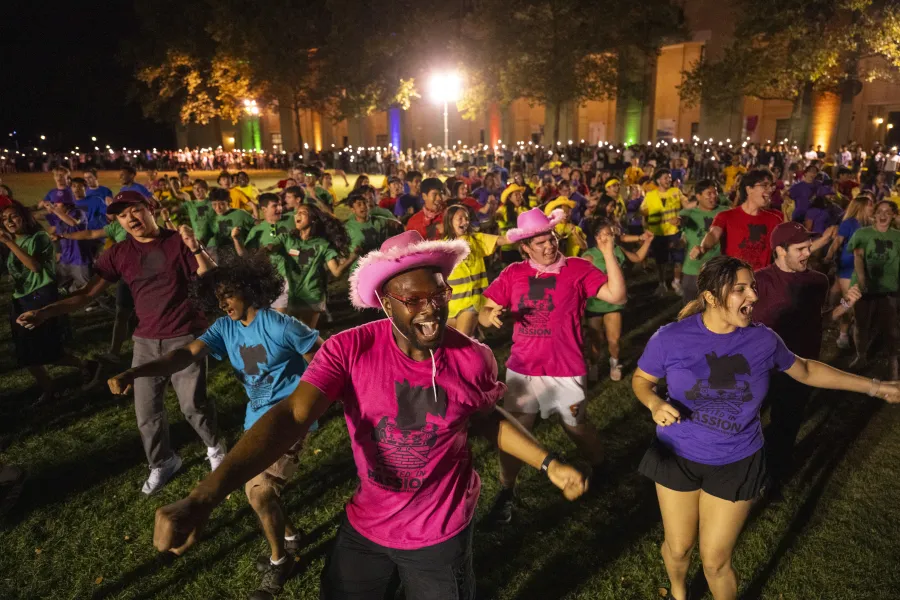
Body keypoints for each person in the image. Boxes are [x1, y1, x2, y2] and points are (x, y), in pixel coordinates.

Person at [151, 230, 587, 599]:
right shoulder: (349, 349)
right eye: (414, 298)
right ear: (385, 301)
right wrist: (205, 496)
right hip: (368, 526)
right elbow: (291, 416)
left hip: (442, 534)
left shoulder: (473, 358)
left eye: (439, 293)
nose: (431, 308)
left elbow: (484, 417)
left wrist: (548, 463)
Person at [632, 255, 900, 600]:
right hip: (678, 455)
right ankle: (679, 593)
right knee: (679, 548)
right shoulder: (671, 337)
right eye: (740, 289)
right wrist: (654, 403)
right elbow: (641, 380)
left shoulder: (763, 340)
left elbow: (805, 370)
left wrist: (875, 386)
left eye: (753, 288)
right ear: (712, 297)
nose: (754, 297)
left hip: (736, 460)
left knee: (715, 562)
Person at [108, 253, 322, 599]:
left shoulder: (283, 325)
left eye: (229, 294)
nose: (223, 304)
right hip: (256, 420)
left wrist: (315, 406)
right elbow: (184, 355)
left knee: (260, 490)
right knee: (258, 490)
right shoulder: (225, 328)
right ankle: (292, 537)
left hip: (290, 419)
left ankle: (280, 560)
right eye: (217, 297)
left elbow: (324, 361)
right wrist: (137, 371)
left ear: (250, 289)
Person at [16, 191, 225, 495]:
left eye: (136, 211)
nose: (131, 219)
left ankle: (215, 449)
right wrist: (46, 312)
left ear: (150, 210)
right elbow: (87, 295)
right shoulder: (118, 254)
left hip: (185, 335)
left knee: (193, 405)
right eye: (123, 216)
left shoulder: (177, 242)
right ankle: (163, 461)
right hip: (144, 341)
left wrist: (195, 248)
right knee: (146, 412)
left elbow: (209, 274)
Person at [478, 207, 626, 523]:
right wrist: (488, 315)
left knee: (576, 425)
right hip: (524, 368)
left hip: (567, 367)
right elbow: (485, 307)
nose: (549, 246)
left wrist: (608, 252)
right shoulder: (513, 273)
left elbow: (616, 295)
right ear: (525, 248)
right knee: (517, 433)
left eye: (551, 238)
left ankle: (601, 467)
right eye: (540, 243)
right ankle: (507, 492)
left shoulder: (577, 268)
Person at [752, 222, 863, 493]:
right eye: (800, 249)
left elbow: (819, 323)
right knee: (745, 422)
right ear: (780, 250)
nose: (807, 253)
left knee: (786, 425)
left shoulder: (817, 281)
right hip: (759, 368)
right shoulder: (758, 280)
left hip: (799, 367)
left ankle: (772, 477)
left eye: (808, 247)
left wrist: (845, 305)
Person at [1, 201, 97, 403]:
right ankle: (49, 388)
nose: (8, 221)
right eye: (4, 219)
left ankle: (85, 365)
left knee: (47, 348)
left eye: (13, 216)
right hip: (20, 298)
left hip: (40, 296)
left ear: (25, 218)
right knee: (24, 351)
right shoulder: (14, 241)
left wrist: (9, 243)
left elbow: (34, 267)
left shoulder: (39, 237)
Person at [583, 217, 652, 382]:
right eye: (608, 234)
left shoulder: (618, 250)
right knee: (596, 341)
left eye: (613, 234)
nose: (612, 237)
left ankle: (615, 363)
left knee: (614, 340)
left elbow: (637, 257)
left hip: (613, 304)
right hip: (594, 304)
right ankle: (593, 365)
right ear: (598, 237)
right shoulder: (589, 256)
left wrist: (647, 241)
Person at [277, 204, 355, 327]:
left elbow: (336, 272)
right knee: (287, 333)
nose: (297, 214)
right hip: (292, 295)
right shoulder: (288, 239)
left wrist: (352, 257)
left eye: (303, 212)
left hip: (312, 296)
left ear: (313, 219)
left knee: (305, 335)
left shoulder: (322, 244)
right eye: (297, 212)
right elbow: (270, 248)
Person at [848, 200, 900, 377]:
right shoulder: (862, 234)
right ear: (874, 214)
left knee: (891, 327)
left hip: (889, 288)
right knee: (862, 323)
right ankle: (861, 356)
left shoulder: (897, 236)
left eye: (888, 211)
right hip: (864, 288)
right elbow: (858, 258)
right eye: (880, 211)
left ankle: (894, 363)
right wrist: (863, 281)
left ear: (893, 215)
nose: (883, 215)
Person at [694, 170, 783, 271]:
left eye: (771, 186)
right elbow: (714, 234)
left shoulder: (775, 219)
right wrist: (703, 248)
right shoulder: (726, 216)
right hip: (734, 282)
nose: (770, 190)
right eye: (765, 185)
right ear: (749, 189)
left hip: (762, 283)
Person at [443, 204, 506, 337]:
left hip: (473, 302)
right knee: (450, 343)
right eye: (460, 218)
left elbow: (502, 240)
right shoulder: (442, 247)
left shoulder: (476, 240)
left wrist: (525, 233)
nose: (465, 222)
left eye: (466, 218)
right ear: (450, 221)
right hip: (451, 307)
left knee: (462, 341)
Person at [824, 193, 874, 348]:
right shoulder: (849, 223)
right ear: (862, 207)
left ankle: (833, 317)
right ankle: (843, 333)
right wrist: (828, 256)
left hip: (861, 266)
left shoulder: (870, 224)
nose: (873, 207)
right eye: (870, 205)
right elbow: (837, 242)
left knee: (845, 297)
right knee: (849, 301)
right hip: (848, 266)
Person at [233, 193, 292, 314]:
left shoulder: (292, 221)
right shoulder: (257, 230)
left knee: (282, 318)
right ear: (264, 209)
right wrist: (236, 240)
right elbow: (245, 255)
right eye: (275, 206)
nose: (280, 209)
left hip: (292, 278)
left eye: (280, 205)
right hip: (270, 279)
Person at [680, 180, 729, 303]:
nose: (713, 196)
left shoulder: (725, 212)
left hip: (718, 269)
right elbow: (681, 228)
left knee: (717, 307)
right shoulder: (688, 214)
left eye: (715, 193)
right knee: (691, 309)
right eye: (709, 194)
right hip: (693, 269)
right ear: (698, 196)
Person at [641, 168, 685, 296]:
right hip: (658, 233)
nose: (669, 179)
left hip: (674, 232)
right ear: (658, 180)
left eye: (670, 177)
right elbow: (643, 211)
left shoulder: (676, 191)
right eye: (666, 177)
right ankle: (662, 284)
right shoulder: (650, 195)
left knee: (678, 259)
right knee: (661, 261)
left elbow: (685, 205)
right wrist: (646, 221)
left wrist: (680, 218)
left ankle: (676, 282)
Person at [207, 187, 256, 260]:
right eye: (214, 204)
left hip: (236, 254)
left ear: (229, 201)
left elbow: (258, 227)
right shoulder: (210, 217)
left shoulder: (241, 214)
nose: (218, 208)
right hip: (213, 253)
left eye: (222, 204)